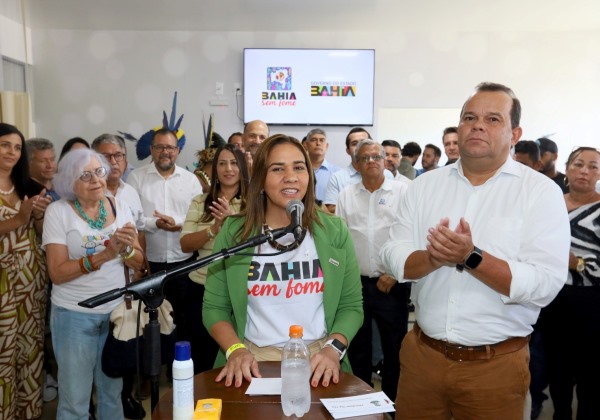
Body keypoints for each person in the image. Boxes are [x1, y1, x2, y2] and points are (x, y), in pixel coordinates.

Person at [379, 82, 571, 418]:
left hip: (494, 366)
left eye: (493, 119)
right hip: (423, 358)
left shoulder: (540, 193)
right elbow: (392, 254)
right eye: (470, 117)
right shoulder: (424, 186)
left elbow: (544, 282)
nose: (478, 125)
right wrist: (433, 258)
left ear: (515, 133)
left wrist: (471, 258)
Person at [203, 134, 363, 389]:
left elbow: (352, 306)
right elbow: (214, 307)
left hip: (318, 362)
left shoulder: (334, 230)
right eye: (278, 169)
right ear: (261, 181)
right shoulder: (235, 232)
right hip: (251, 363)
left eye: (299, 167)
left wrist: (333, 349)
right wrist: (235, 350)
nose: (291, 176)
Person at [42, 148, 144, 419]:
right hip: (74, 316)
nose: (96, 180)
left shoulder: (118, 206)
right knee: (75, 400)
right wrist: (105, 255)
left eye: (98, 172)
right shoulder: (58, 212)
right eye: (85, 175)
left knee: (112, 394)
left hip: (115, 316)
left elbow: (139, 262)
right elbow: (57, 273)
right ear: (69, 183)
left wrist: (126, 251)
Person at [336, 139, 410, 404]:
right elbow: (340, 239)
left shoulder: (403, 191)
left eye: (376, 157)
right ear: (356, 164)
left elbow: (411, 235)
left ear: (385, 161)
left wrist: (395, 272)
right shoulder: (346, 195)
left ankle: (392, 404)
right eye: (364, 158)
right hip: (356, 285)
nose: (370, 162)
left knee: (394, 349)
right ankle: (361, 403)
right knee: (357, 348)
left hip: (391, 283)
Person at [127, 128, 202, 363]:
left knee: (185, 320)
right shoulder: (136, 178)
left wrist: (178, 224)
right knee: (152, 322)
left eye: (170, 147)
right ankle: (153, 370)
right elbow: (133, 218)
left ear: (178, 151)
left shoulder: (190, 180)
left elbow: (198, 218)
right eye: (160, 147)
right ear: (151, 149)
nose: (165, 152)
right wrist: (156, 223)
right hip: (151, 263)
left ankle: (179, 369)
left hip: (185, 262)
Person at [542, 147, 600, 420]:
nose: (585, 171)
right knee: (558, 370)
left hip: (590, 302)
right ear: (567, 167)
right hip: (552, 298)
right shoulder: (550, 202)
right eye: (579, 164)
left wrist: (577, 264)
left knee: (589, 374)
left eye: (593, 167)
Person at [180, 144, 249, 374]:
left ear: (242, 168)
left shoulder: (255, 203)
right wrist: (214, 228)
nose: (228, 169)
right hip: (200, 288)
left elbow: (258, 248)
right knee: (201, 360)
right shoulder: (200, 202)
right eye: (222, 163)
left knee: (237, 359)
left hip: (239, 291)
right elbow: (185, 244)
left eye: (233, 163)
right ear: (214, 169)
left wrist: (230, 225)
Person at [91, 133, 146, 418]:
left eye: (118, 156)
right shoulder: (79, 197)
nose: (113, 162)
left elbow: (138, 236)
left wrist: (139, 269)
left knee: (119, 355)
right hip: (88, 296)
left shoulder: (130, 192)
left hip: (124, 286)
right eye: (106, 156)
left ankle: (124, 399)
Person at [0, 123, 52, 420]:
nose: (12, 152)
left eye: (17, 147)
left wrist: (40, 217)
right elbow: (18, 222)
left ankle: (28, 413)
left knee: (31, 351)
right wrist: (20, 217)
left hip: (31, 280)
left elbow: (40, 233)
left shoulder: (29, 188)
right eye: (5, 145)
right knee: (4, 354)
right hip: (2, 283)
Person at [302, 128, 340, 203]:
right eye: (313, 140)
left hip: (328, 214)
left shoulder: (337, 172)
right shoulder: (299, 170)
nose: (318, 143)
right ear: (306, 145)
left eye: (322, 140)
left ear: (327, 146)